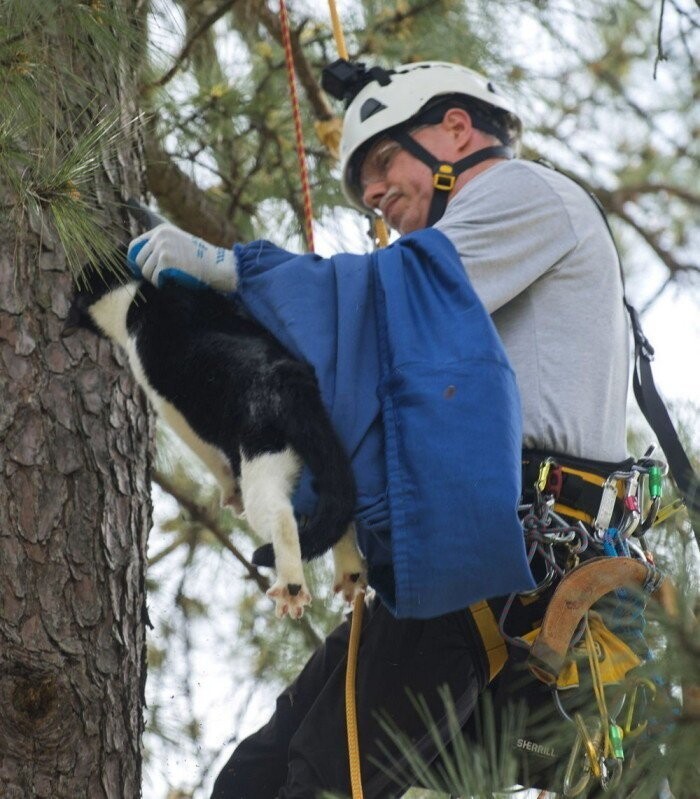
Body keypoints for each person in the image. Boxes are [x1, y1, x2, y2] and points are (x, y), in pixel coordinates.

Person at [129, 62, 643, 797]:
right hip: (457, 558)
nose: (372, 192)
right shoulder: (458, 259)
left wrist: (231, 269)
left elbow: (381, 305)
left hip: (498, 560)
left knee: (324, 780)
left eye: (381, 161)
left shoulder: (522, 193)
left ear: (457, 129)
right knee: (257, 776)